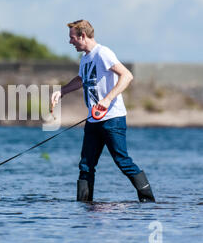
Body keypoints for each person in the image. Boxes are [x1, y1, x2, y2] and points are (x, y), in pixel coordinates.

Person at [51, 19, 155, 203]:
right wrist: (62, 91)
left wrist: (106, 100)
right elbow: (81, 80)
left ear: (83, 36)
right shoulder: (85, 58)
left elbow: (127, 75)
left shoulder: (103, 53)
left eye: (72, 38)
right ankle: (83, 205)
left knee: (122, 161)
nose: (70, 42)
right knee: (85, 165)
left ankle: (148, 202)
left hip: (112, 119)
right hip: (93, 120)